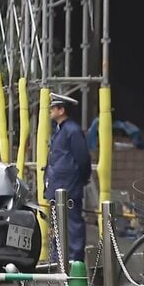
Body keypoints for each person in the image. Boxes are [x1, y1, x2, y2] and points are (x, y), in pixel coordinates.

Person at [44, 93, 91, 262]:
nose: (50, 111)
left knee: (72, 224)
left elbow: (83, 159)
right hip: (59, 185)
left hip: (69, 186)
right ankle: (59, 259)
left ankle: (74, 258)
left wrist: (81, 179)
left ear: (61, 110)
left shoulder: (72, 130)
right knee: (58, 224)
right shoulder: (61, 130)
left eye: (53, 108)